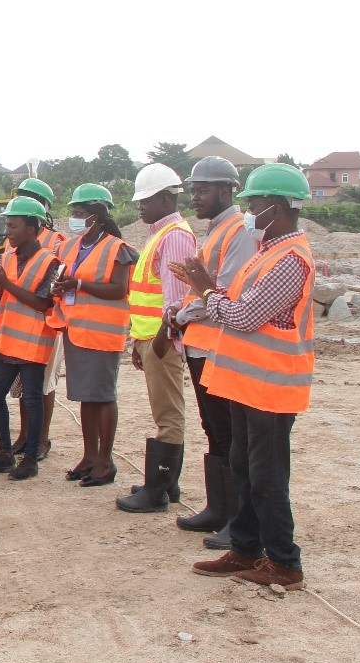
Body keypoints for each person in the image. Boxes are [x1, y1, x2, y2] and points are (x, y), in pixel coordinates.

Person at [185, 163, 316, 590]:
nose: (249, 210)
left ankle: (283, 562)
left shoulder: (291, 259)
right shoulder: (267, 251)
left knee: (267, 477)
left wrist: (207, 291)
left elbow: (243, 315)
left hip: (271, 387)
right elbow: (236, 307)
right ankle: (245, 548)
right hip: (246, 384)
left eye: (254, 202)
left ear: (274, 207)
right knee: (243, 465)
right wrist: (214, 295)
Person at [170, 157, 255, 548]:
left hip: (217, 346)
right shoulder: (216, 230)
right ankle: (218, 510)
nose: (195, 197)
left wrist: (182, 313)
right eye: (193, 190)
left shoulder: (237, 231)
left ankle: (237, 520)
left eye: (202, 190)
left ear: (226, 190)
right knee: (215, 431)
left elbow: (221, 291)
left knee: (229, 434)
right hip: (200, 345)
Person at [116, 163, 196, 513]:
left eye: (145, 200)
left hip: (162, 339)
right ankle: (166, 483)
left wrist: (165, 336)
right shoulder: (159, 234)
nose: (140, 207)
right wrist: (139, 338)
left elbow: (175, 297)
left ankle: (159, 489)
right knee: (163, 410)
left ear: (166, 198)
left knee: (168, 413)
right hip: (150, 337)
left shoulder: (175, 236)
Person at [49, 184, 135, 487]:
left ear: (96, 216)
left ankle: (105, 460)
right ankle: (89, 455)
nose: (74, 218)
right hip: (77, 330)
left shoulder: (117, 248)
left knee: (103, 396)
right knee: (86, 396)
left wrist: (79, 285)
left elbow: (119, 289)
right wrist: (61, 287)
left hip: (102, 334)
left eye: (80, 213)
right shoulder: (72, 246)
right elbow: (62, 277)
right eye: (73, 212)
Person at [0, 196, 62, 481]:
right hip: (9, 338)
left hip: (34, 340)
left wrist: (6, 284)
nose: (7, 231)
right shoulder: (8, 256)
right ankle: (4, 453)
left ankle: (31, 458)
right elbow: (7, 298)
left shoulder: (50, 262)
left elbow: (43, 303)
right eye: (7, 225)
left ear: (32, 229)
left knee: (33, 399)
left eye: (13, 226)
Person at [10, 177, 65, 461]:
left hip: (47, 324)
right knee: (23, 384)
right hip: (20, 326)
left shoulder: (55, 242)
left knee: (44, 384)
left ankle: (41, 439)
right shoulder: (15, 237)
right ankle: (25, 435)